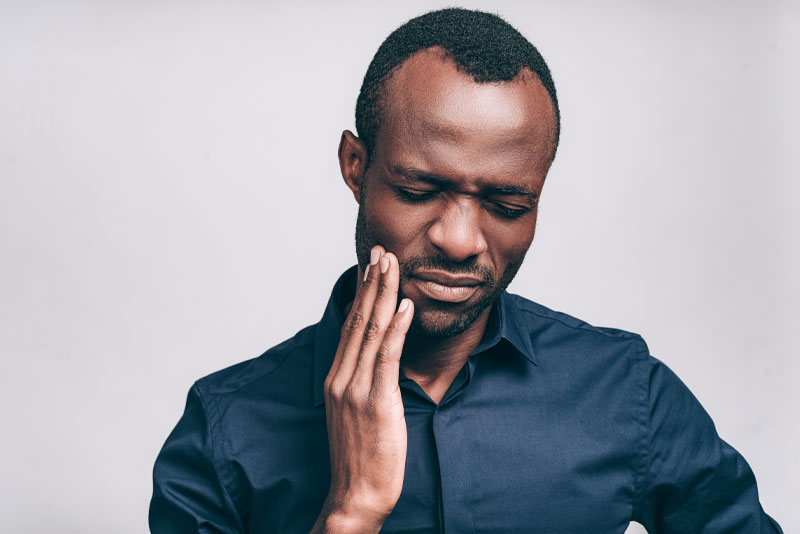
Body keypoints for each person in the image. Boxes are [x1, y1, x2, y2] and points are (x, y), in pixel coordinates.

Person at [149, 8, 782, 534]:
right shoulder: (225, 428)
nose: (459, 241)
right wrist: (349, 514)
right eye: (419, 189)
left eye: (508, 205)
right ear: (355, 166)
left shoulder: (624, 391)